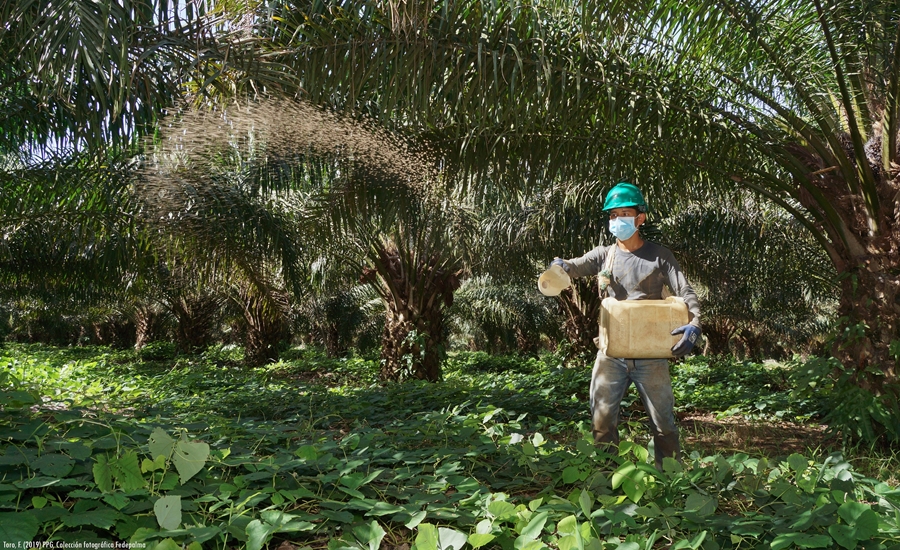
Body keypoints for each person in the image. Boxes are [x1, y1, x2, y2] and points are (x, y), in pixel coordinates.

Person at [550, 182, 701, 469]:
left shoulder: (659, 255)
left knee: (663, 422)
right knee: (602, 420)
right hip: (611, 354)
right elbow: (576, 265)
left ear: (640, 217)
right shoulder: (604, 255)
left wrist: (694, 322)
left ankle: (669, 479)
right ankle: (606, 477)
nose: (616, 220)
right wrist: (561, 265)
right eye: (612, 215)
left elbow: (685, 290)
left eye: (624, 213)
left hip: (651, 354)